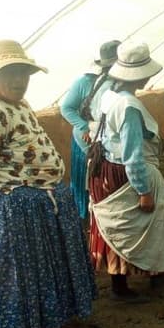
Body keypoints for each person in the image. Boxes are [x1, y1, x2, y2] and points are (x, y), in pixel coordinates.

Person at [0, 39, 97, 328]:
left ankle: (46, 325)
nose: (19, 80)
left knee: (41, 271)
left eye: (24, 73)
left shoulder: (19, 106)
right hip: (10, 208)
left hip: (36, 206)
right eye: (11, 73)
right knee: (11, 278)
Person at [88, 40, 164, 301]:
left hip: (105, 167)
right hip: (124, 173)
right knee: (140, 225)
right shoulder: (128, 106)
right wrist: (143, 190)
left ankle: (151, 274)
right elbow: (132, 154)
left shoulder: (109, 94)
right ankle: (128, 284)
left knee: (121, 227)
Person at [59, 39, 120, 220]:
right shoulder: (85, 81)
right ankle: (83, 216)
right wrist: (84, 126)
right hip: (85, 139)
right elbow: (67, 108)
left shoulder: (118, 81)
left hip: (104, 138)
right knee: (84, 179)